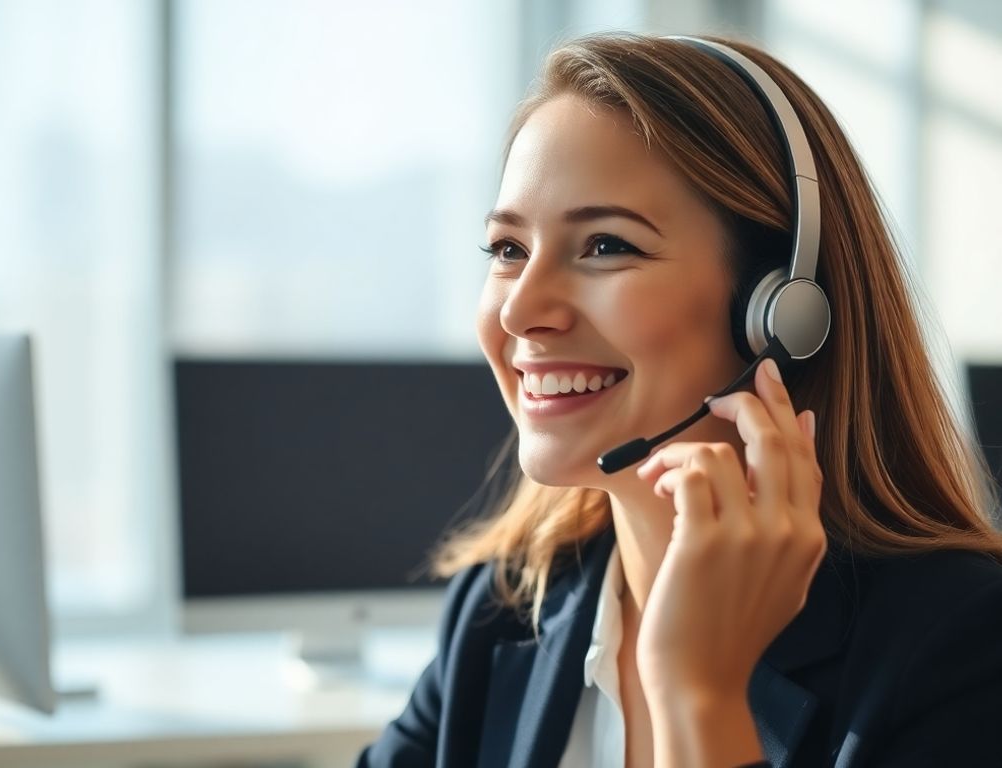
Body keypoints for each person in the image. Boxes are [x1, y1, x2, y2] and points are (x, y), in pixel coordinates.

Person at [357, 32, 1002, 768]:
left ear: (780, 309)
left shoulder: (958, 650)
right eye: (508, 250)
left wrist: (699, 694)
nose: (519, 311)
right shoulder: (501, 613)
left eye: (605, 245)